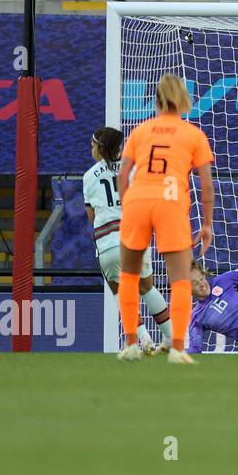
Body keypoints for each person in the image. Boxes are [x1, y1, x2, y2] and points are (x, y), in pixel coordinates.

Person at [116, 74, 214, 365]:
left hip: (138, 200)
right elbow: (206, 186)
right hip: (171, 202)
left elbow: (123, 176)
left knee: (130, 276)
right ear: (183, 100)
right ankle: (178, 348)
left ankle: (132, 344)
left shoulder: (141, 131)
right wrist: (206, 224)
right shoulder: (193, 134)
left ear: (156, 100)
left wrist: (128, 205)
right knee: (181, 280)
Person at [83, 126, 170, 352]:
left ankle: (144, 339)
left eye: (93, 145)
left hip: (108, 242)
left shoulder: (89, 177)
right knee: (147, 288)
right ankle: (174, 339)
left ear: (100, 149)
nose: (91, 149)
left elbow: (91, 216)